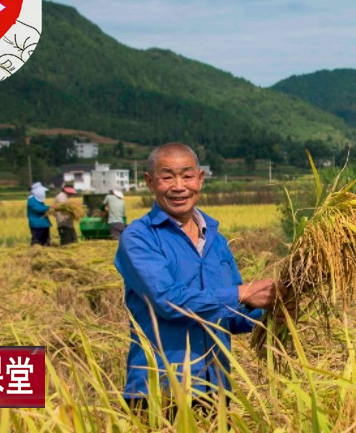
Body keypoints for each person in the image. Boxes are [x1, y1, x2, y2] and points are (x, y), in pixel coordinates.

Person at [114, 142, 284, 411]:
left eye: (187, 175)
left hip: (215, 387)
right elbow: (169, 302)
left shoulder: (216, 241)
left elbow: (228, 316)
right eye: (167, 176)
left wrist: (269, 307)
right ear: (150, 182)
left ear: (200, 178)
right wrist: (244, 292)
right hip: (159, 392)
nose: (179, 186)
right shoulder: (138, 238)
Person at [27, 182, 51, 246]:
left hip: (44, 224)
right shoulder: (31, 200)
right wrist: (49, 207)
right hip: (36, 224)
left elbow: (43, 209)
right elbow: (38, 209)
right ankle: (36, 252)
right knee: (37, 242)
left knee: (46, 241)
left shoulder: (39, 201)